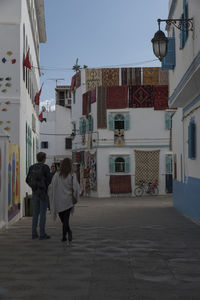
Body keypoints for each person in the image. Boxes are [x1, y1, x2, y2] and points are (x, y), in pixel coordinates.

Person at [48, 157, 81, 242]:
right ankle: (69, 231)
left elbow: (52, 187)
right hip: (68, 200)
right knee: (65, 219)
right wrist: (76, 195)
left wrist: (51, 195)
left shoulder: (57, 175)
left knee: (63, 218)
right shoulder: (72, 175)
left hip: (59, 201)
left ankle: (64, 236)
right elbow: (76, 188)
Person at [26, 152, 51, 240]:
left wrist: (34, 187)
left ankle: (33, 233)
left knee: (35, 213)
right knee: (43, 213)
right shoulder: (45, 167)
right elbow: (49, 180)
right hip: (43, 193)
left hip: (35, 193)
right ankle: (42, 234)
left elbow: (27, 179)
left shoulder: (32, 167)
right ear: (44, 158)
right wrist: (44, 186)